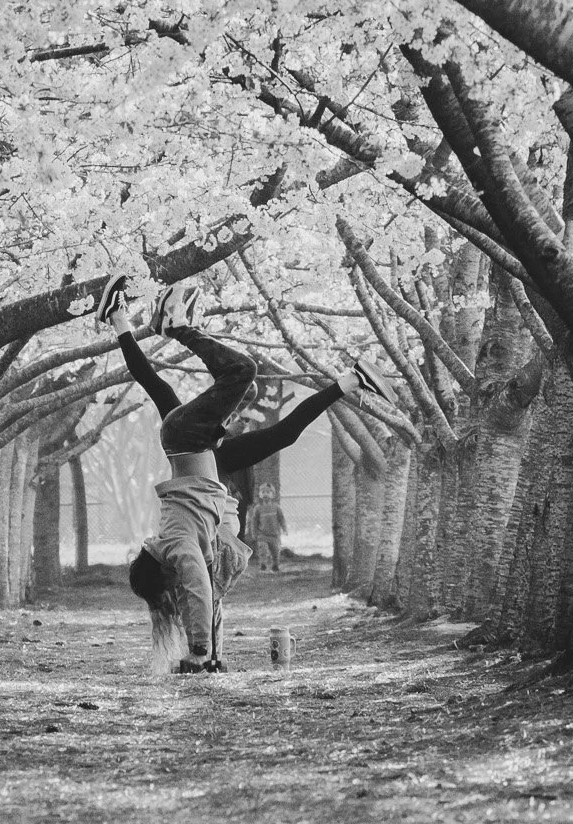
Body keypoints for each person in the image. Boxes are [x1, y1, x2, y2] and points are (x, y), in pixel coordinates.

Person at [99, 277, 392, 672]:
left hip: (191, 444)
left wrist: (199, 651)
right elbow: (207, 599)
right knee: (271, 420)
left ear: (163, 576)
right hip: (208, 457)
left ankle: (176, 327)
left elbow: (198, 590)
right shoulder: (189, 548)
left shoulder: (179, 547)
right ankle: (352, 380)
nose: (178, 591)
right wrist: (213, 656)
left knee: (242, 371)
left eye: (169, 590)